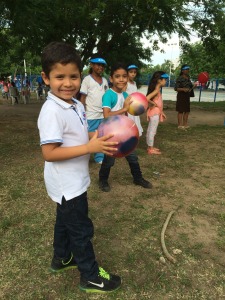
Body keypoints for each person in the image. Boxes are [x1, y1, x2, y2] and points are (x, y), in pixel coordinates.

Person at [37, 41, 121, 293]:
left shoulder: (75, 104)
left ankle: (61, 258)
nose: (67, 83)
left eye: (73, 76)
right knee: (81, 229)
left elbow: (80, 137)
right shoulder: (52, 110)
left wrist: (95, 140)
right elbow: (49, 153)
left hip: (74, 180)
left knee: (64, 222)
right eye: (59, 77)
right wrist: (88, 149)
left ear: (80, 77)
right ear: (46, 78)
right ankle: (90, 276)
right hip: (67, 184)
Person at [99, 62, 152, 192]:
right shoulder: (108, 95)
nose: (121, 79)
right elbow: (106, 115)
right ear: (111, 79)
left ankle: (138, 178)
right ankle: (103, 180)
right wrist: (124, 108)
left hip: (125, 133)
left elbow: (128, 112)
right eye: (117, 76)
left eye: (124, 76)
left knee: (133, 156)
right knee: (109, 160)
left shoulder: (125, 95)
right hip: (111, 134)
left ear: (127, 79)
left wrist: (140, 108)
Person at [80, 54, 108, 164]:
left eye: (102, 65)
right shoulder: (87, 80)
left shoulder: (105, 81)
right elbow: (82, 98)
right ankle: (83, 154)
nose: (100, 67)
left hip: (102, 115)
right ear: (91, 65)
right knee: (90, 136)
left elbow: (107, 98)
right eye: (97, 65)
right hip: (91, 115)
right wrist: (82, 113)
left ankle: (99, 157)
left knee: (102, 135)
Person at [146, 71, 168, 155]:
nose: (165, 81)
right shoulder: (156, 90)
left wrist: (161, 112)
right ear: (159, 80)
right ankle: (150, 148)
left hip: (155, 113)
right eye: (164, 79)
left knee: (151, 130)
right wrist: (154, 104)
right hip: (154, 114)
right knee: (152, 131)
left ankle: (150, 146)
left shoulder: (157, 89)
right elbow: (147, 98)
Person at [174, 65, 196, 129]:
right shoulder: (179, 78)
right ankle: (180, 125)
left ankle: (185, 124)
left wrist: (194, 86)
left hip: (187, 96)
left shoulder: (188, 78)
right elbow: (176, 88)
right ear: (182, 70)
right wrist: (183, 89)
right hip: (181, 96)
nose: (187, 70)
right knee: (180, 111)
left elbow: (190, 87)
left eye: (188, 69)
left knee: (187, 110)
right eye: (186, 69)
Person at [125, 64, 143, 136]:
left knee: (135, 122)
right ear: (127, 73)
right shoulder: (126, 83)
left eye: (134, 72)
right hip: (128, 107)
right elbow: (123, 94)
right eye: (131, 72)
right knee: (129, 124)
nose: (133, 74)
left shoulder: (134, 83)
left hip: (135, 107)